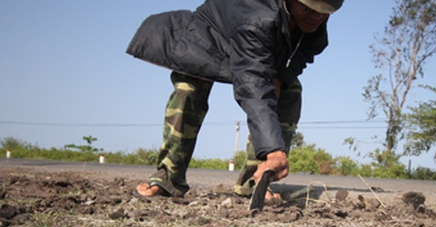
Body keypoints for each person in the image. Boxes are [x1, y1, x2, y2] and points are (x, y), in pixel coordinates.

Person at [127, 0, 344, 198]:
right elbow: (253, 86)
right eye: (307, 8)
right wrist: (273, 149)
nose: (316, 16)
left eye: (325, 11)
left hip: (254, 46)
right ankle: (168, 180)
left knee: (291, 90)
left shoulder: (315, 30)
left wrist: (280, 78)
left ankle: (255, 181)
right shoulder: (259, 20)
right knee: (189, 90)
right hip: (205, 39)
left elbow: (293, 62)